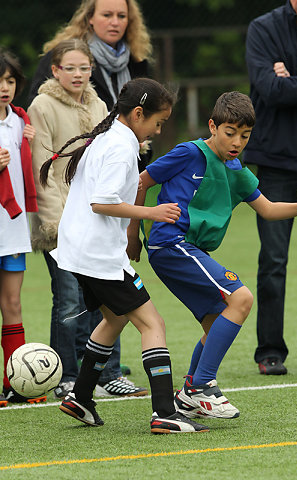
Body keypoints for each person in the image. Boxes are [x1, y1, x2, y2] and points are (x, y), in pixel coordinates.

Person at [127, 91, 297, 420]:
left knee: (218, 320)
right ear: (212, 126)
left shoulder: (236, 169)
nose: (237, 142)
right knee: (241, 299)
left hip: (188, 249)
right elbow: (141, 181)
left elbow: (269, 209)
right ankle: (201, 386)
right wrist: (133, 233)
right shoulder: (190, 152)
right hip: (170, 243)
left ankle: (188, 393)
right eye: (230, 132)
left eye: (245, 136)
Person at [39, 77, 210, 433]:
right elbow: (102, 202)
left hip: (78, 251)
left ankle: (80, 398)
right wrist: (151, 214)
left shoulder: (108, 136)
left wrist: (130, 234)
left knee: (115, 319)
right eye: (157, 122)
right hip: (98, 256)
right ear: (136, 114)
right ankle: (164, 411)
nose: (158, 130)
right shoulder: (120, 145)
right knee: (153, 324)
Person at [28, 0, 153, 391]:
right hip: (62, 220)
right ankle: (65, 375)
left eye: (85, 68)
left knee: (108, 297)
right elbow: (42, 171)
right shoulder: (43, 106)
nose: (79, 74)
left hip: (96, 218)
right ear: (55, 70)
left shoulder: (100, 102)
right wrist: (55, 223)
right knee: (68, 300)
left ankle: (109, 375)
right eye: (71, 68)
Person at [244, 0, 297, 375]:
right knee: (273, 260)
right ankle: (270, 351)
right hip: (278, 160)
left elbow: (285, 89)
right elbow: (269, 90)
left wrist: (295, 83)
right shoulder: (264, 28)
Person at [0, 49, 38, 406]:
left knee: (12, 302)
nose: (4, 87)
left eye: (9, 81)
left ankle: (16, 381)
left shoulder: (20, 121)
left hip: (12, 228)